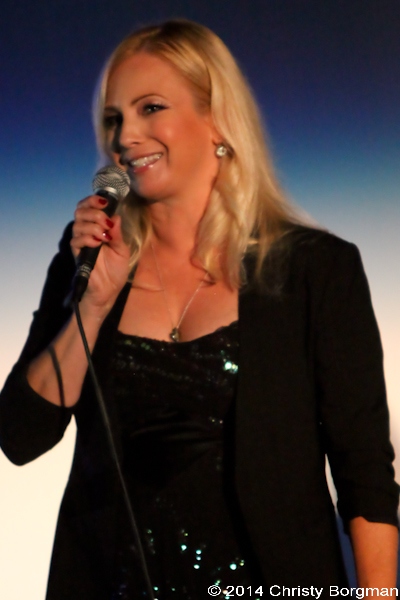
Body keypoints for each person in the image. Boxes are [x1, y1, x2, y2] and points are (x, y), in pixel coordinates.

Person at [0, 19, 398, 600]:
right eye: (113, 119)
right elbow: (20, 436)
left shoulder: (316, 269)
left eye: (150, 108)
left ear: (217, 121)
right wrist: (93, 305)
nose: (125, 136)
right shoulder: (88, 258)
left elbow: (365, 473)